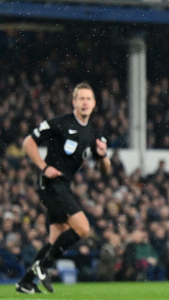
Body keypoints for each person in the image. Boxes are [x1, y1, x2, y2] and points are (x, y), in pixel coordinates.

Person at [16, 82, 110, 294]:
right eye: (81, 98)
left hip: (63, 185)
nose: (85, 102)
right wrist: (43, 166)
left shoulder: (93, 133)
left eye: (88, 99)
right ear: (74, 102)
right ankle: (44, 267)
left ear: (94, 104)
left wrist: (103, 156)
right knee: (83, 228)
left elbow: (105, 170)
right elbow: (28, 142)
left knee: (55, 240)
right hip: (50, 183)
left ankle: (26, 282)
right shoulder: (60, 123)